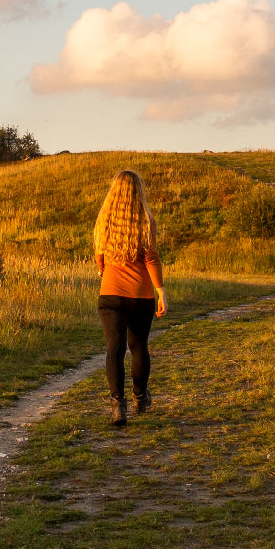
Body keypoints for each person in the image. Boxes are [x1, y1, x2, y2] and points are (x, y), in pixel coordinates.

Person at [93, 169, 167, 426]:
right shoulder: (146, 221)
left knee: (114, 348)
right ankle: (139, 397)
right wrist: (160, 292)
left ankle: (117, 407)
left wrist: (105, 271)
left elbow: (100, 258)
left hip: (110, 294)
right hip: (140, 295)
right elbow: (152, 259)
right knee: (138, 347)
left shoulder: (104, 220)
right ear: (139, 192)